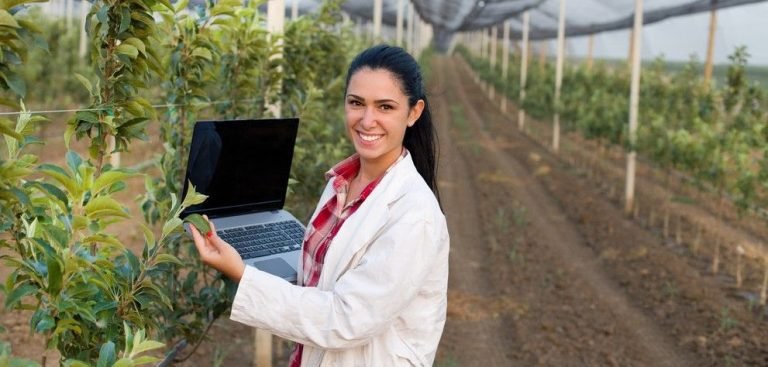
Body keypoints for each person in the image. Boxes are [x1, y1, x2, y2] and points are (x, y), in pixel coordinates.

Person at [189, 44, 450, 366]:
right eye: (357, 103)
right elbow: (323, 279)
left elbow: (345, 321)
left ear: (414, 112)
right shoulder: (340, 183)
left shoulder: (415, 216)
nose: (367, 120)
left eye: (385, 107)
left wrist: (243, 273)